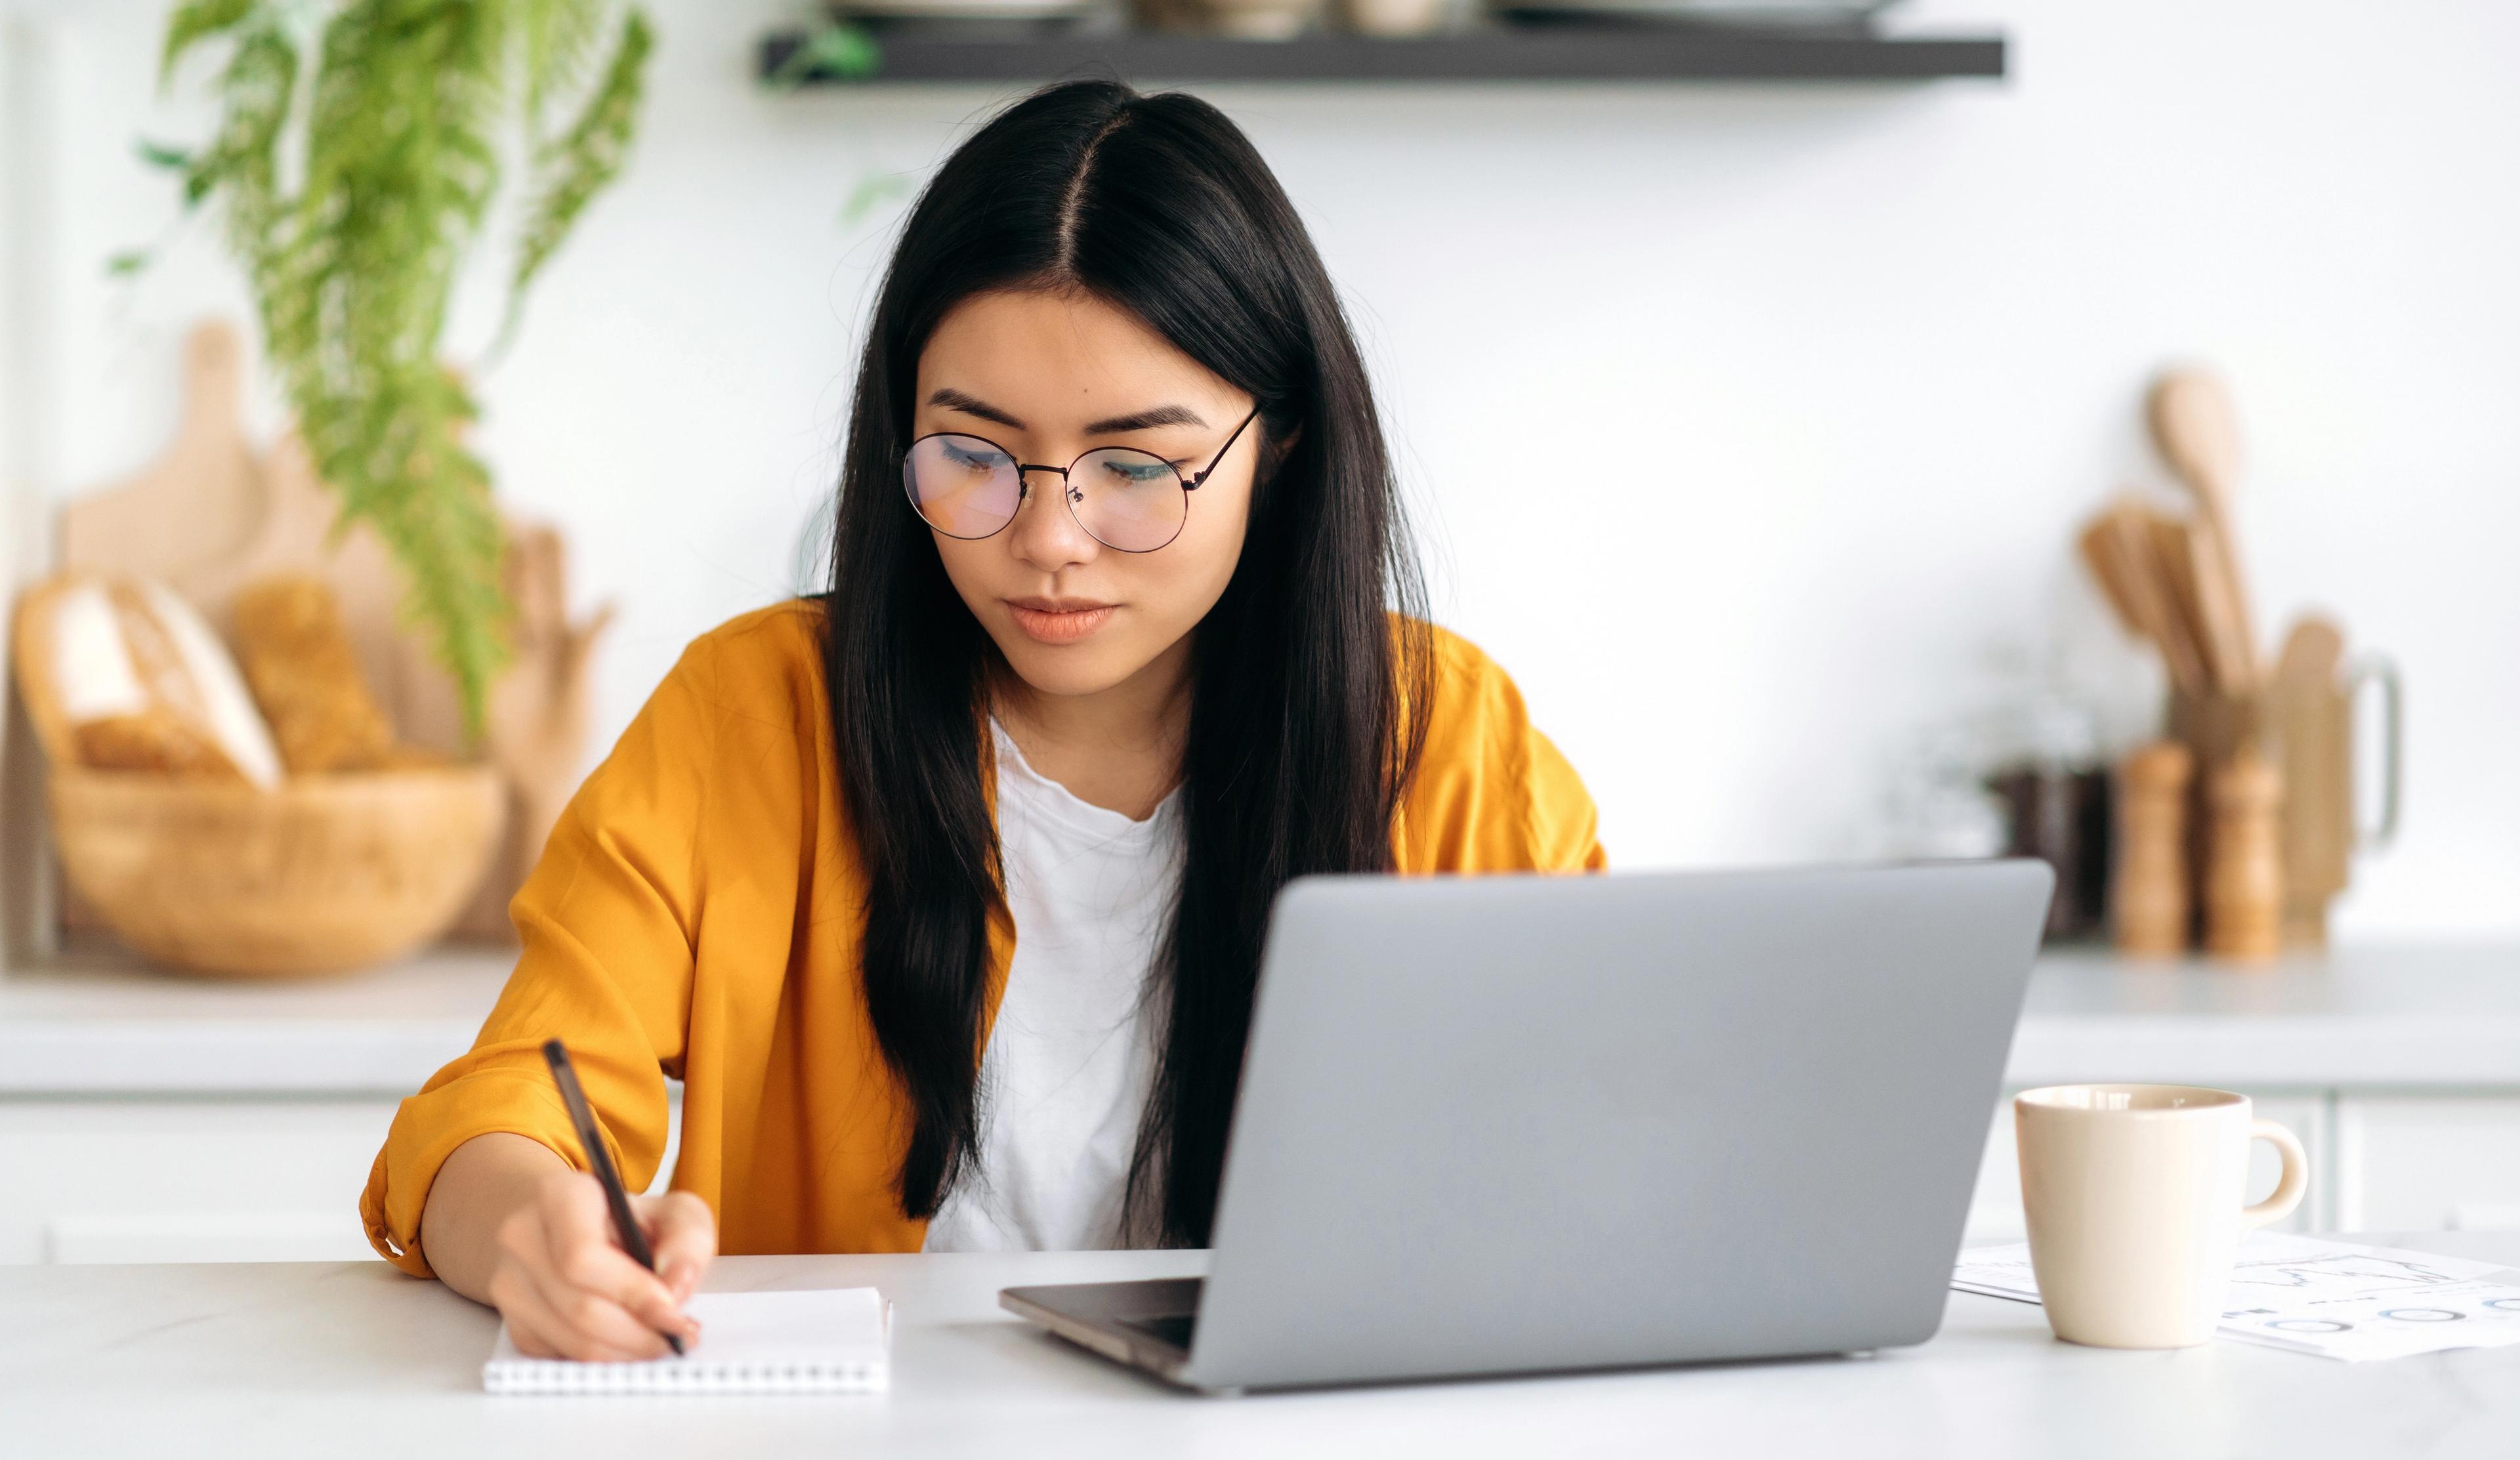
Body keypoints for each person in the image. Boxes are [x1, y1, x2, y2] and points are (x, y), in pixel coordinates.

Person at [360, 78, 1604, 1362]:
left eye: (1135, 468)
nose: (1049, 540)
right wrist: (531, 1226)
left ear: (1278, 445)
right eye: (973, 454)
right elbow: (495, 1108)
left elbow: (1614, 1149)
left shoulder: (1448, 744)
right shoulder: (755, 716)